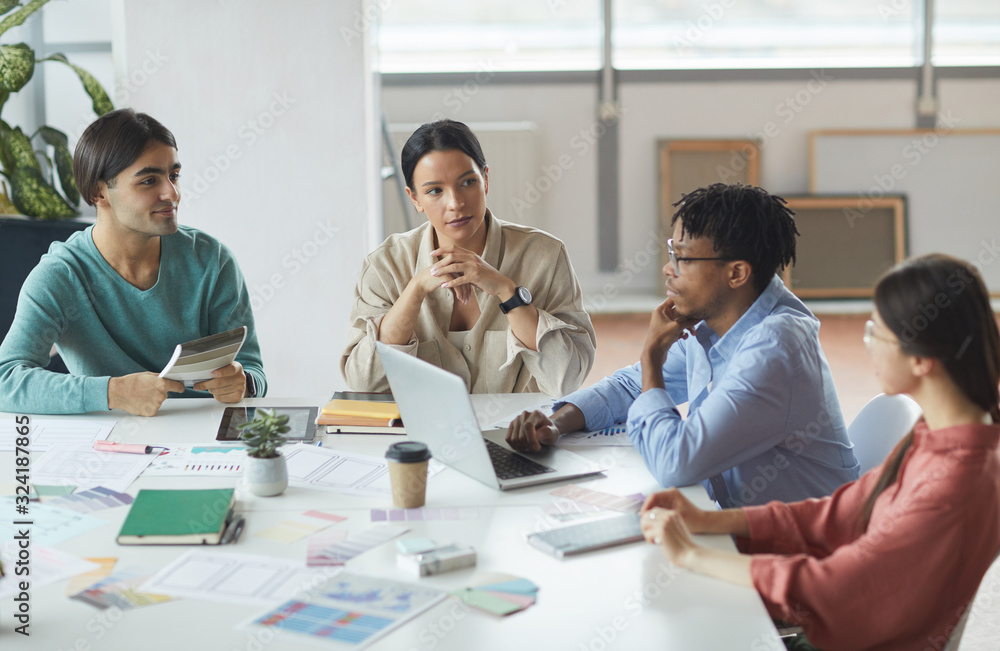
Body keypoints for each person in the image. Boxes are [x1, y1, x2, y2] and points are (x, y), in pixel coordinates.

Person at [639, 254, 1000, 651]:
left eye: (875, 334)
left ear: (920, 359)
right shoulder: (943, 434)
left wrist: (691, 555)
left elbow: (831, 588)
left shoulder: (954, 481)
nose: (868, 348)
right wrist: (708, 520)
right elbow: (843, 511)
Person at [506, 183, 858, 506]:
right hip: (741, 526)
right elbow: (631, 387)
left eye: (683, 258)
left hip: (799, 551)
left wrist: (651, 355)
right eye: (672, 252)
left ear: (737, 273)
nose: (667, 268)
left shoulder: (774, 347)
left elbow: (676, 462)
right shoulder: (717, 319)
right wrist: (556, 422)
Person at [0, 109, 266, 416]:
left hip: (204, 440)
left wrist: (243, 382)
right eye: (149, 180)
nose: (172, 193)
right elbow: (6, 379)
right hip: (109, 446)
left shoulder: (212, 260)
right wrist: (112, 392)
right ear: (99, 192)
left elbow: (253, 371)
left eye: (174, 176)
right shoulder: (60, 276)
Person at [341, 119, 595, 396]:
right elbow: (363, 382)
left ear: (485, 180)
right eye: (435, 190)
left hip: (518, 435)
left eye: (467, 182)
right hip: (419, 436)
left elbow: (567, 379)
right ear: (414, 199)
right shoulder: (384, 266)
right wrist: (414, 292)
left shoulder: (545, 255)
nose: (456, 203)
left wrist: (507, 291)